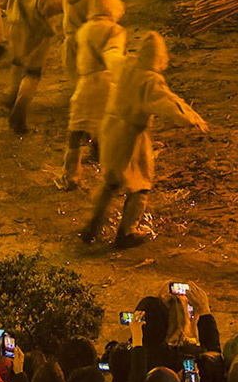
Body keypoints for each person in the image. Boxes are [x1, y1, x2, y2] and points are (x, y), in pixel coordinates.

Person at [80, 31, 209, 248]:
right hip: (130, 136)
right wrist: (191, 118)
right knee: (141, 182)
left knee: (111, 181)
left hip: (110, 129)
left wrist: (113, 38)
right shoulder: (150, 80)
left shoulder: (126, 65)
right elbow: (168, 102)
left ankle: (92, 227)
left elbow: (112, 55)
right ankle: (127, 233)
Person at [63, 0, 125, 190]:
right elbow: (113, 55)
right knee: (107, 127)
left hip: (86, 82)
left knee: (76, 128)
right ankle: (113, 171)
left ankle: (71, 174)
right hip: (107, 83)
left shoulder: (85, 30)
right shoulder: (114, 30)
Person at [1, 0, 65, 136]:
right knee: (33, 73)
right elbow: (47, 8)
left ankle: (10, 97)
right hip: (35, 30)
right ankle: (19, 113)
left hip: (15, 24)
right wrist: (67, 5)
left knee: (18, 63)